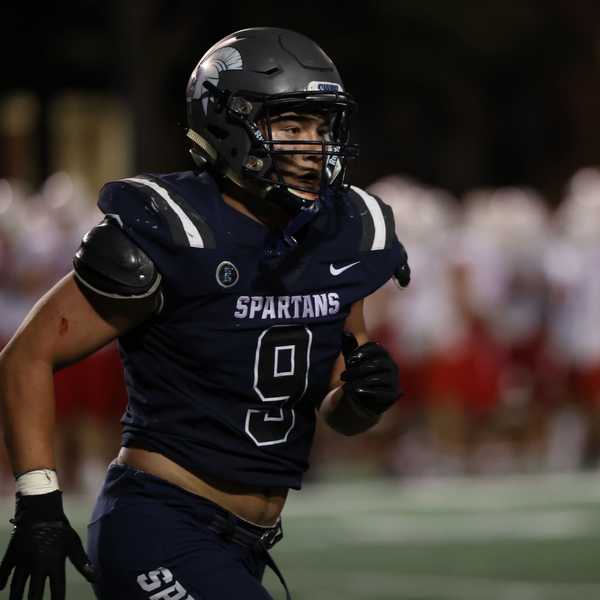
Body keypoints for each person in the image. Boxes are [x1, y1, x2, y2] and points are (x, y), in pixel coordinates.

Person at [0, 27, 410, 600]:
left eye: (320, 128)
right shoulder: (175, 229)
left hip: (249, 542)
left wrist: (363, 399)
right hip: (159, 524)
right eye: (291, 127)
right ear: (229, 124)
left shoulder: (341, 233)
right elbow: (27, 356)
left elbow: (338, 410)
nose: (312, 147)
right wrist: (40, 504)